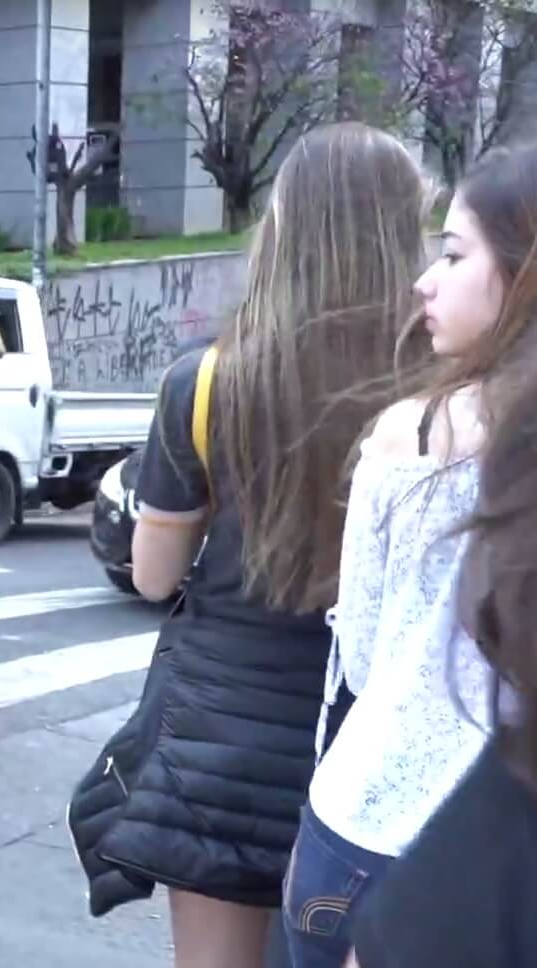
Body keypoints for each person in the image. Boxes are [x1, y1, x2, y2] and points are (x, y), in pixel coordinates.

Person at [66, 123, 432, 968]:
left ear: (281, 231)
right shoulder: (442, 396)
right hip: (371, 751)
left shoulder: (208, 384)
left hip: (220, 751)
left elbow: (153, 577)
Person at [282, 144, 537, 968]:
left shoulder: (416, 431)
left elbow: (359, 652)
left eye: (455, 254)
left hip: (373, 823)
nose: (424, 280)